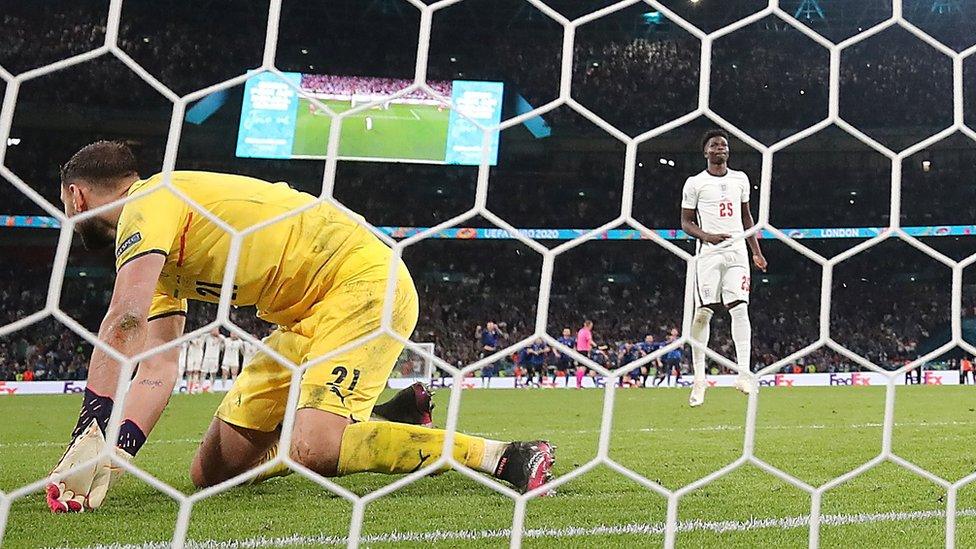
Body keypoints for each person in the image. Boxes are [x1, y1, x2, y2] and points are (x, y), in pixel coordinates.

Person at [46, 141, 555, 513]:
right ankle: (384, 413)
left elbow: (125, 319)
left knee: (315, 450)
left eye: (65, 204)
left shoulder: (149, 201)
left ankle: (502, 457)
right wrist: (109, 453)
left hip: (360, 282)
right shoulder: (155, 256)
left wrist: (85, 431)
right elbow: (157, 365)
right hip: (303, 320)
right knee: (212, 474)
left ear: (76, 196)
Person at [680, 129, 768, 407]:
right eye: (715, 145)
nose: (720, 148)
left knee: (740, 308)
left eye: (724, 145)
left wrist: (756, 252)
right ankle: (699, 379)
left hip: (737, 251)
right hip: (708, 253)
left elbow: (746, 217)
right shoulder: (695, 183)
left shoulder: (740, 179)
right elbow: (685, 222)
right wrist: (706, 236)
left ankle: (743, 374)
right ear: (706, 151)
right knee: (703, 313)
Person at [574, 320, 593, 389]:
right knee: (583, 368)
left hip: (579, 350)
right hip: (584, 350)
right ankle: (579, 384)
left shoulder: (580, 331)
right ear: (589, 325)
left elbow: (577, 341)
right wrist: (594, 347)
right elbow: (589, 341)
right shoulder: (587, 332)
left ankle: (578, 384)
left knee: (579, 368)